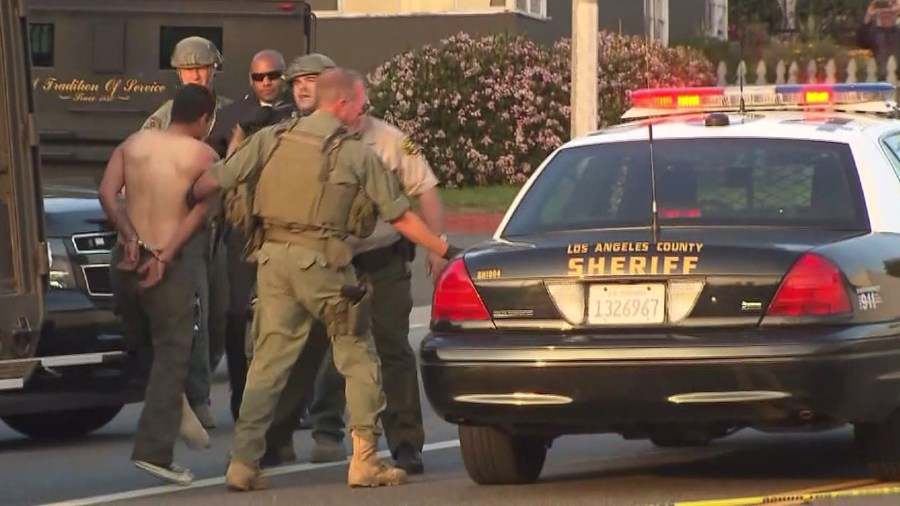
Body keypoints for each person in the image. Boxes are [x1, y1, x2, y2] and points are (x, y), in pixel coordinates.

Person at [187, 67, 464, 491]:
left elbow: (214, 179)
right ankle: (365, 460)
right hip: (325, 264)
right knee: (358, 357)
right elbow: (402, 215)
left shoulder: (272, 137)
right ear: (341, 104)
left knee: (267, 365)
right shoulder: (355, 153)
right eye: (358, 106)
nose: (361, 114)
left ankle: (242, 464)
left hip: (273, 263)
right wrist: (444, 249)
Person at [304, 91, 447, 473]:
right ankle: (313, 430)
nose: (354, 115)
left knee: (393, 347)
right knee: (324, 346)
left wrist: (437, 246)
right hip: (333, 260)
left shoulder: (391, 140)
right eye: (346, 107)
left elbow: (426, 190)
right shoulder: (311, 139)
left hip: (383, 257)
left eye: (360, 107)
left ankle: (405, 442)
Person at [101, 83, 220, 486]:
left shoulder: (133, 143)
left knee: (143, 343)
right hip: (164, 264)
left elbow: (106, 193)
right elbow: (201, 212)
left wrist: (129, 236)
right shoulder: (204, 155)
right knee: (174, 353)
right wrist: (164, 255)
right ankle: (155, 452)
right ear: (205, 118)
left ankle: (176, 409)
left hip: (125, 260)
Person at [142, 35, 232, 429]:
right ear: (178, 73)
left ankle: (202, 383)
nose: (196, 74)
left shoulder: (229, 114)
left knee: (223, 315)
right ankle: (197, 399)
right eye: (188, 68)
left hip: (225, 229)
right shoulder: (164, 118)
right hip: (187, 231)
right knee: (196, 312)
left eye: (202, 67)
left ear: (214, 69)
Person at [210, 49, 295, 423]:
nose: (267, 83)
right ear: (250, 80)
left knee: (291, 313)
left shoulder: (299, 113)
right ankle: (240, 397)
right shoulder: (232, 116)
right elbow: (214, 166)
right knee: (236, 310)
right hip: (242, 225)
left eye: (273, 75)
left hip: (286, 222)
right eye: (259, 77)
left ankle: (295, 402)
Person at [859, 0, 900, 80]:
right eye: (884, 15)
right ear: (879, 16)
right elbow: (861, 42)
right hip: (878, 79)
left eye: (890, 14)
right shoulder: (874, 33)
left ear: (895, 15)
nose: (887, 17)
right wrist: (868, 15)